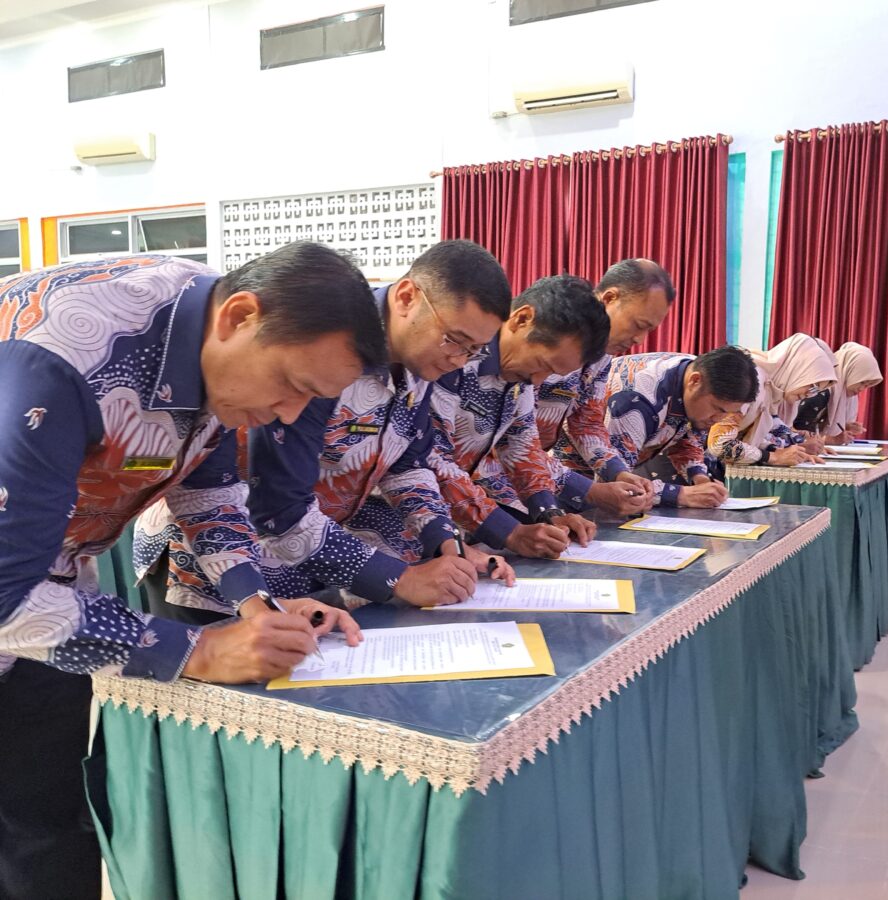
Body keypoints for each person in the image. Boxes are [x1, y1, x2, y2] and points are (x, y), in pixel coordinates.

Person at [0, 243, 385, 899]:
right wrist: (199, 650)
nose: (290, 416)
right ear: (239, 316)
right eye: (292, 385)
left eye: (312, 399)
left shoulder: (216, 350)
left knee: (49, 819)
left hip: (55, 591)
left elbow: (209, 497)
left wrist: (259, 611)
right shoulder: (66, 356)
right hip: (20, 593)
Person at [135, 240, 518, 616]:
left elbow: (408, 465)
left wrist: (445, 542)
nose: (459, 360)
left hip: (305, 559)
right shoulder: (323, 346)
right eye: (455, 341)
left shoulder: (419, 363)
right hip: (215, 561)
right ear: (407, 298)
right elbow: (276, 509)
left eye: (474, 351)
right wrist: (399, 579)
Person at [426, 274, 610, 558]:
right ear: (522, 319)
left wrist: (550, 513)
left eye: (552, 374)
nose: (537, 381)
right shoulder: (455, 358)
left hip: (446, 519)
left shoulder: (518, 375)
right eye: (542, 364)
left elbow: (522, 446)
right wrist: (509, 532)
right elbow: (432, 460)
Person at [521, 258, 675, 518]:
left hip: (534, 480)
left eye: (649, 330)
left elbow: (586, 422)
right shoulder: (546, 340)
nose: (639, 340)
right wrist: (590, 492)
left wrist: (619, 472)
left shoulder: (601, 358)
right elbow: (512, 444)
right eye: (639, 325)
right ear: (609, 299)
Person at [563, 346, 758, 508]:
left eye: (727, 413)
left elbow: (687, 438)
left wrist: (700, 479)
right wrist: (682, 495)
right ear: (694, 381)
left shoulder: (698, 376)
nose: (718, 419)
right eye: (717, 409)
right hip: (572, 476)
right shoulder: (635, 401)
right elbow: (616, 484)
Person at [707, 332, 835, 466]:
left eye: (816, 391)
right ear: (798, 369)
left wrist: (795, 450)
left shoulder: (770, 390)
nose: (809, 395)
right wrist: (773, 457)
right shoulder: (750, 384)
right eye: (812, 386)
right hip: (700, 465)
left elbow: (762, 432)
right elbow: (720, 445)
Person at [821, 342, 883, 445]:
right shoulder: (820, 391)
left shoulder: (845, 395)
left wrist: (845, 426)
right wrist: (829, 440)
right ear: (849, 372)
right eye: (861, 382)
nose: (862, 389)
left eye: (867, 385)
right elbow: (797, 433)